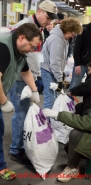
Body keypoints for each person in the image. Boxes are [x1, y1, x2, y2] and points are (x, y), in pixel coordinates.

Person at [9, 0, 58, 163]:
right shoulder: (23, 26)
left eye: (52, 18)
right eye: (48, 16)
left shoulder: (40, 30)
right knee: (21, 113)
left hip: (29, 77)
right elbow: (17, 56)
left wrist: (36, 78)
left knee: (26, 112)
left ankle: (24, 145)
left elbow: (34, 56)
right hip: (18, 78)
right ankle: (16, 150)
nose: (50, 20)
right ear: (39, 11)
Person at [0, 23, 42, 180]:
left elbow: (25, 72)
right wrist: (4, 101)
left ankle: (0, 166)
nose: (32, 50)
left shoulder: (20, 52)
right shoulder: (3, 47)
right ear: (22, 38)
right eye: (32, 46)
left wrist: (34, 90)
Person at [40, 18, 83, 110]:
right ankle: (46, 122)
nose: (72, 36)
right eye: (72, 33)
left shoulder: (63, 39)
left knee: (54, 98)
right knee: (50, 100)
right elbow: (54, 62)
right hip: (48, 71)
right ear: (68, 29)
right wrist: (59, 80)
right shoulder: (56, 40)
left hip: (52, 71)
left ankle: (50, 121)